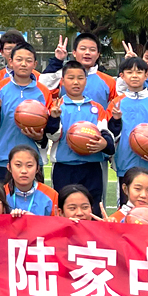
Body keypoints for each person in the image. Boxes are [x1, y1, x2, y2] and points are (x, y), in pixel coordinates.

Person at [0, 42, 56, 183]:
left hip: (33, 159)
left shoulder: (44, 92)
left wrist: (40, 137)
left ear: (35, 64)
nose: (23, 64)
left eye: (28, 60)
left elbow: (50, 129)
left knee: (34, 197)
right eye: (19, 59)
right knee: (4, 196)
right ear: (10, 62)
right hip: (4, 158)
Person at [108, 57, 148, 213]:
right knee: (126, 212)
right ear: (122, 76)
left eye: (139, 72)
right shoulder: (116, 103)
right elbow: (110, 136)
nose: (134, 76)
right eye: (129, 72)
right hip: (125, 167)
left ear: (146, 75)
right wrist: (115, 121)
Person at [47, 60, 117, 207]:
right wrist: (53, 118)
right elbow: (52, 136)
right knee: (64, 207)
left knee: (93, 208)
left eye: (80, 78)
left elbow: (106, 133)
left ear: (86, 81)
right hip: (64, 166)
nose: (76, 82)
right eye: (71, 78)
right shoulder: (57, 107)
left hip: (91, 166)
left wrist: (104, 144)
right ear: (62, 81)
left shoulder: (97, 108)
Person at [40, 32, 118, 108]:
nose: (87, 52)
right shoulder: (62, 77)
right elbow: (42, 89)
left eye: (92, 50)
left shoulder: (109, 81)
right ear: (74, 52)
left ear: (98, 55)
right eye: (83, 49)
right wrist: (57, 61)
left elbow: (118, 106)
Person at [3, 145, 57, 216]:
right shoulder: (1, 194)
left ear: (37, 169)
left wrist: (34, 219)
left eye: (29, 165)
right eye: (18, 165)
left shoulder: (51, 195)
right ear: (9, 167)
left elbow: (56, 221)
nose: (24, 171)